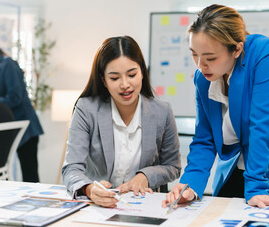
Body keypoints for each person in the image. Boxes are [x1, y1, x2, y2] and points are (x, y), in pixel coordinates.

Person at [163, 4, 269, 213]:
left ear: (237, 49)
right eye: (194, 54)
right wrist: (189, 184)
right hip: (230, 171)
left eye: (210, 58)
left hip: (265, 174)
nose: (200, 65)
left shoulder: (267, 55)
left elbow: (263, 128)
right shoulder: (203, 79)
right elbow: (205, 138)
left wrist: (257, 186)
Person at [62, 35, 181, 208]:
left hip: (144, 206)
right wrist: (89, 189)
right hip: (97, 207)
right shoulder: (86, 109)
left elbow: (173, 166)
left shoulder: (162, 111)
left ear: (142, 72)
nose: (125, 84)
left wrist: (145, 176)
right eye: (115, 78)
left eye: (132, 74)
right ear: (104, 80)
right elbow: (71, 168)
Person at [0, 32, 43, 182]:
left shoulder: (7, 64)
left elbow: (15, 97)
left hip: (25, 128)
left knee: (30, 175)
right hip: (9, 126)